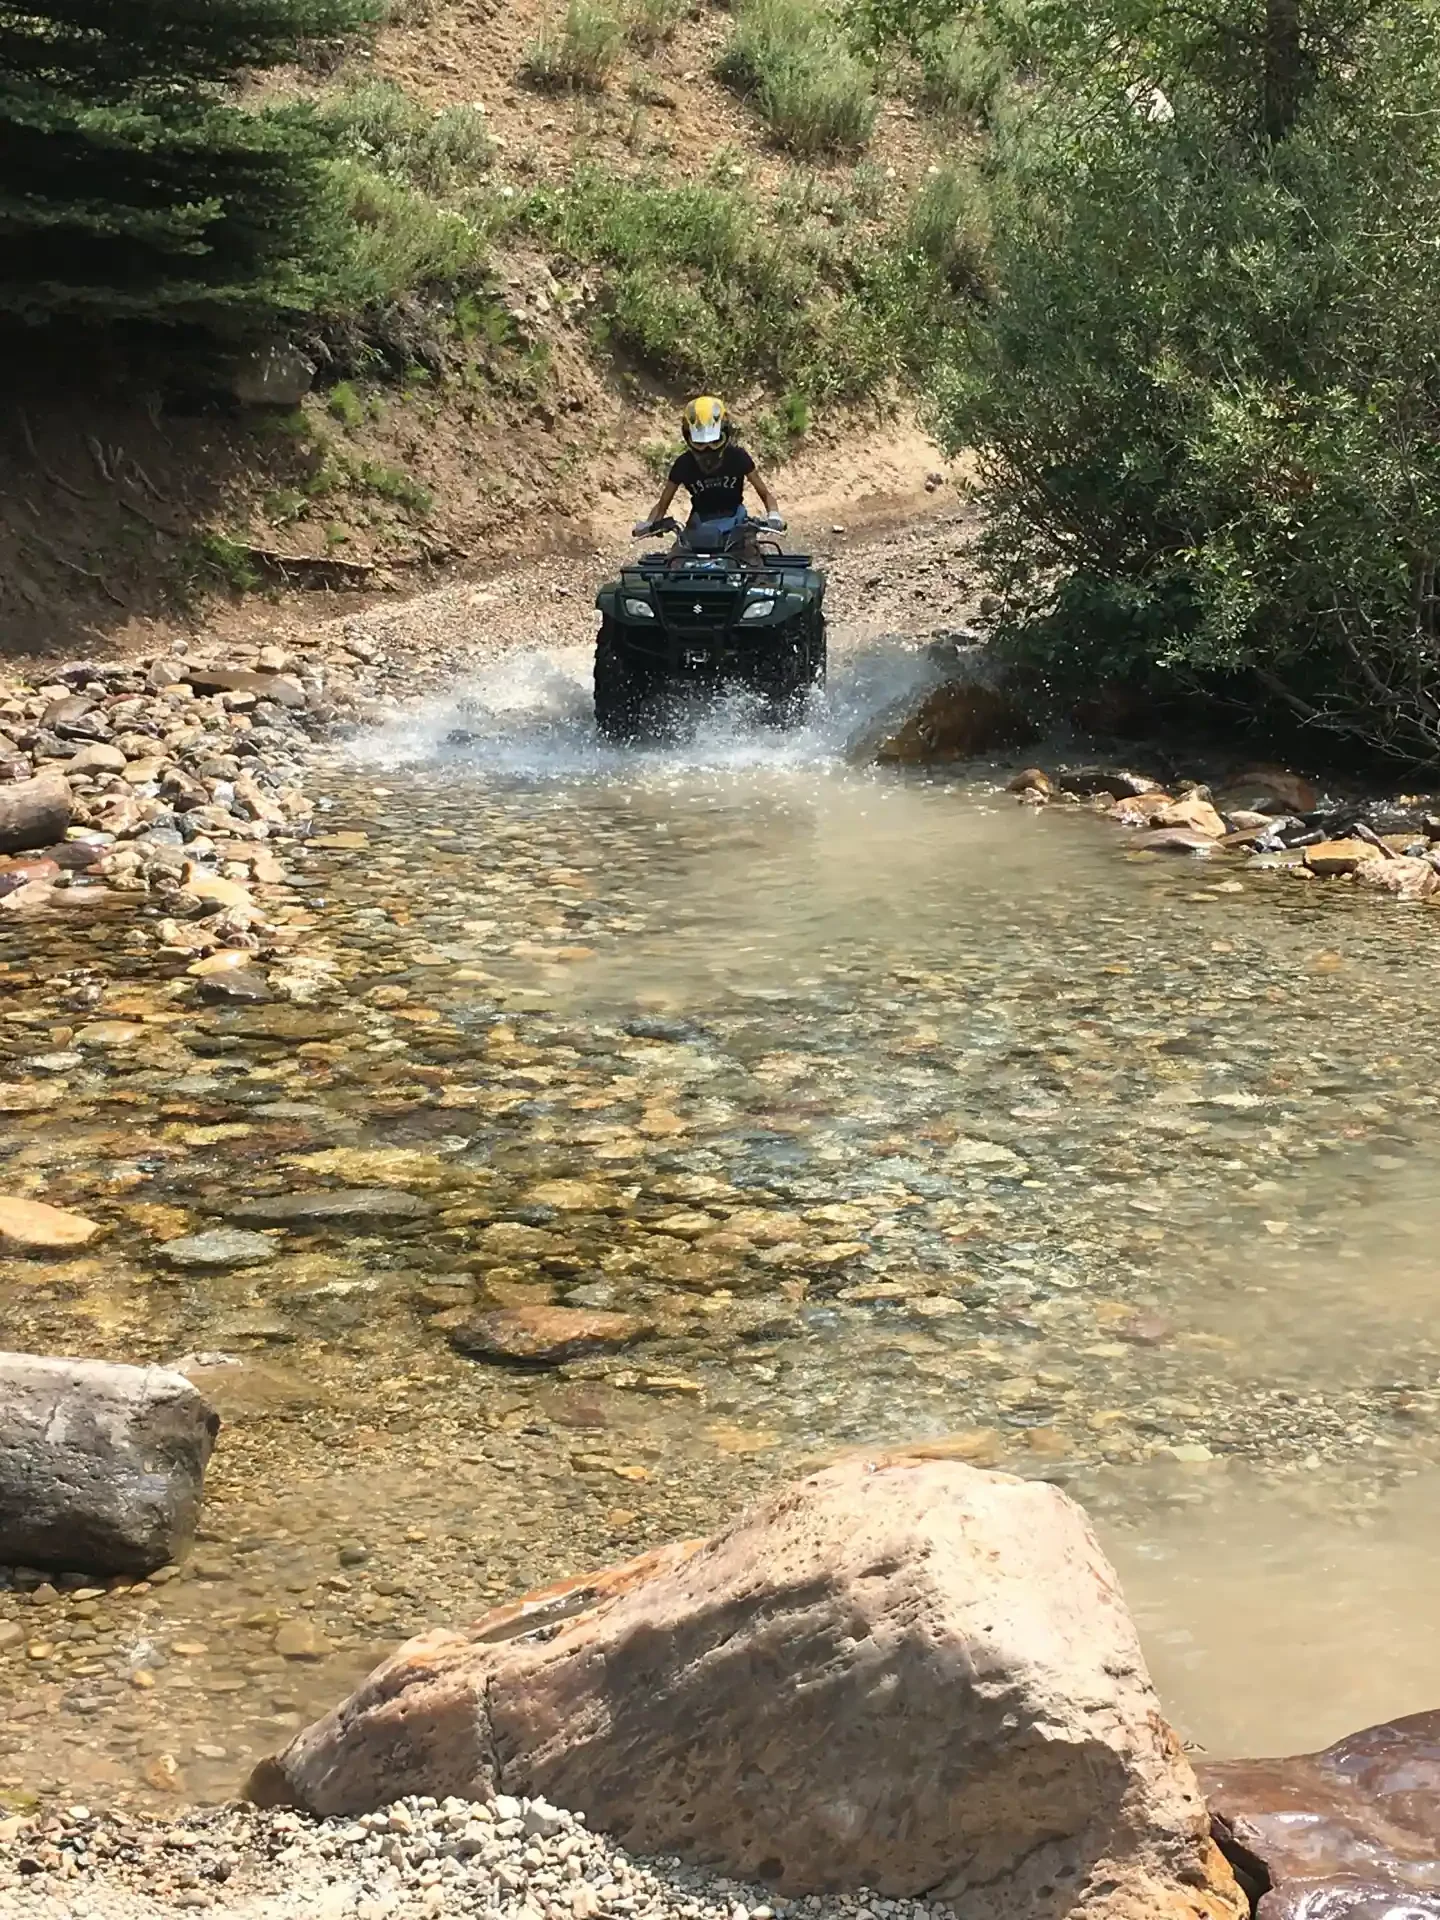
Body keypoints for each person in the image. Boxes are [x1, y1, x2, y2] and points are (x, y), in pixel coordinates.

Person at [633, 395, 785, 543]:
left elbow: (765, 494)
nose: (707, 450)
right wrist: (651, 523)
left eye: (714, 442)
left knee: (752, 558)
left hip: (737, 525)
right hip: (698, 527)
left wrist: (773, 515)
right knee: (676, 559)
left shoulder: (738, 457)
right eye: (700, 443)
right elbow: (662, 505)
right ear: (688, 438)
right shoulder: (684, 464)